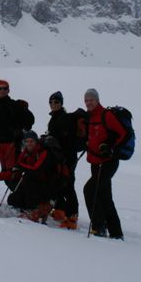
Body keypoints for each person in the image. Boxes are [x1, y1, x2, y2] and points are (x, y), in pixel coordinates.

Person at [82, 88, 128, 240]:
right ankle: (116, 233)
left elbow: (124, 134)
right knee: (105, 197)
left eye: (91, 100)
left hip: (107, 162)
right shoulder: (90, 116)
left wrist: (111, 148)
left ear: (97, 100)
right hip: (95, 163)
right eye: (86, 100)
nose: (89, 103)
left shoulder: (106, 115)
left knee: (89, 190)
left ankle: (99, 227)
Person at [0, 130, 57, 222]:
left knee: (28, 177)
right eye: (27, 141)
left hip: (46, 187)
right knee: (13, 200)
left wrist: (21, 166)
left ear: (36, 141)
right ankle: (30, 208)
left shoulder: (43, 152)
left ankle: (36, 209)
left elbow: (36, 170)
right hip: (33, 186)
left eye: (31, 141)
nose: (29, 144)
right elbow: (15, 169)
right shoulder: (25, 153)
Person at [46, 91, 86, 230]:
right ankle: (61, 211)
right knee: (58, 184)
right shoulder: (55, 118)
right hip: (58, 158)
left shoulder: (64, 118)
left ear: (61, 103)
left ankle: (72, 217)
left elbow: (67, 140)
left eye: (56, 102)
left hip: (67, 158)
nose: (53, 104)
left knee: (68, 185)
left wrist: (54, 142)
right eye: (51, 102)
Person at [0, 79, 34, 190]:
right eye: (0, 88)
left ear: (8, 90)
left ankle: (23, 196)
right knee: (6, 173)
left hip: (12, 143)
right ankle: (20, 196)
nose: (2, 90)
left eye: (5, 88)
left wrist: (25, 110)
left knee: (13, 174)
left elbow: (30, 121)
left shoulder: (14, 105)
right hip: (0, 143)